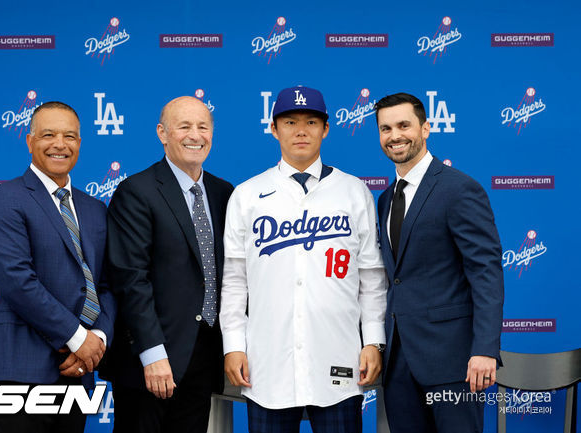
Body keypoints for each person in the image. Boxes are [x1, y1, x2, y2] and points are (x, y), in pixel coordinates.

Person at [221, 85, 387, 433]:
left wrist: (372, 340)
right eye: (290, 121)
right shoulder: (247, 195)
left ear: (326, 129)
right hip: (268, 366)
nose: (300, 130)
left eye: (311, 121)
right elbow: (235, 280)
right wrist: (233, 346)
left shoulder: (354, 190)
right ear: (274, 129)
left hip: (338, 358)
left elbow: (372, 276)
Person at [0, 101, 116, 432]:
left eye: (69, 136)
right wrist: (75, 338)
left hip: (77, 375)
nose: (60, 144)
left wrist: (96, 338)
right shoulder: (4, 198)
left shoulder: (95, 208)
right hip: (21, 374)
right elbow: (16, 282)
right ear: (29, 141)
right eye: (48, 134)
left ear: (80, 144)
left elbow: (109, 284)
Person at [101, 96, 233, 432]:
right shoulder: (137, 191)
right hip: (153, 361)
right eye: (184, 126)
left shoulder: (223, 193)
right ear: (162, 133)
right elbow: (131, 279)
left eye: (203, 126)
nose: (195, 135)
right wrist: (153, 353)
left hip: (204, 355)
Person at [374, 92, 504, 433]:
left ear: (426, 128)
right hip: (398, 364)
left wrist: (485, 350)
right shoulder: (385, 198)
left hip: (454, 362)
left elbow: (485, 271)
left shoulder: (459, 189)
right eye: (386, 128)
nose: (395, 135)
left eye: (404, 125)